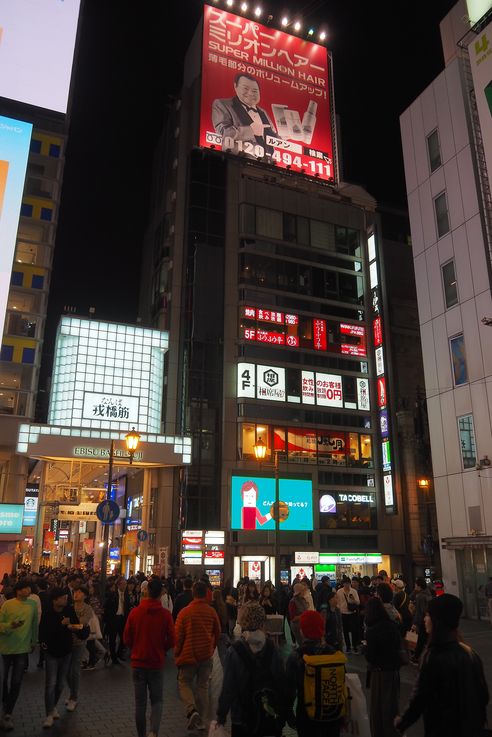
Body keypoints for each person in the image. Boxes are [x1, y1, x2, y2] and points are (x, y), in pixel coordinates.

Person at [395, 594, 489, 736]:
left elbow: (420, 697)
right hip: (472, 727)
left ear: (436, 620)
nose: (425, 620)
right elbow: (484, 695)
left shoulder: (433, 656)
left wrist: (402, 722)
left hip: (442, 728)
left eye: (428, 615)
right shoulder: (469, 652)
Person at [216, 601, 286, 737]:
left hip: (241, 716)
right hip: (268, 714)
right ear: (262, 622)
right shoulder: (272, 648)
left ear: (242, 622)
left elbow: (228, 688)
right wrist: (284, 714)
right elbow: (281, 682)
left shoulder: (234, 651)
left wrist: (221, 716)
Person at [124, 578, 175, 737]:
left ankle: (141, 734)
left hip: (138, 662)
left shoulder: (135, 612)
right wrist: (161, 648)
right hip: (156, 662)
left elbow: (126, 638)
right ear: (161, 593)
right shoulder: (165, 615)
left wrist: (135, 647)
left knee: (140, 704)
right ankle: (153, 731)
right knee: (157, 701)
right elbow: (172, 639)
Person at [286, 610, 345, 737]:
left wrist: (288, 715)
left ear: (302, 631)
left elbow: (289, 690)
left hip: (307, 714)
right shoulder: (333, 653)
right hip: (332, 714)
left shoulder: (297, 656)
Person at [40, 587, 89, 728]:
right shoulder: (48, 613)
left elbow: (76, 625)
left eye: (66, 598)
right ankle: (49, 713)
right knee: (50, 684)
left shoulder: (68, 610)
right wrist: (60, 625)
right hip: (51, 653)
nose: (66, 600)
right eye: (62, 598)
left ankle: (53, 706)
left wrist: (81, 629)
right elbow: (44, 631)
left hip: (66, 652)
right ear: (55, 600)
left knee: (60, 683)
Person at [175, 580, 221, 731]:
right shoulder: (211, 611)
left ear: (194, 594)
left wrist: (177, 653)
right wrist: (211, 647)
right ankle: (202, 720)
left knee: (184, 682)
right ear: (206, 593)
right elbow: (218, 632)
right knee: (203, 686)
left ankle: (191, 709)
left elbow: (178, 636)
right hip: (206, 655)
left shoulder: (185, 612)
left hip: (188, 655)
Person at [0, 579, 38, 730]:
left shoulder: (33, 604)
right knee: (3, 680)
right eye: (25, 588)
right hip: (5, 647)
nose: (28, 590)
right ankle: (5, 705)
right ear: (18, 590)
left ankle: (8, 712)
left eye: (29, 588)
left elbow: (34, 623)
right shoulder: (8, 604)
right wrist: (10, 626)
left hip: (22, 648)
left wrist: (34, 641)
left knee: (16, 681)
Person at [212, 73, 278, 158]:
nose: (250, 93)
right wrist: (250, 130)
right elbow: (223, 132)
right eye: (245, 88)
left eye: (255, 91)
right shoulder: (222, 104)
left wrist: (282, 139)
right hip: (237, 160)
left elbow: (271, 138)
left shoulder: (263, 112)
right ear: (235, 87)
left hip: (267, 164)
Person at [364, 596, 401, 737]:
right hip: (393, 670)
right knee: (392, 704)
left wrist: (365, 649)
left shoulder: (372, 631)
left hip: (379, 672)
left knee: (379, 707)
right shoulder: (392, 626)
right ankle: (393, 731)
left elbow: (370, 656)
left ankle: (381, 732)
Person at [66, 586, 92, 710]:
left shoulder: (88, 608)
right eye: (75, 591)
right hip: (65, 642)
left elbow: (83, 624)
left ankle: (74, 697)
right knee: (66, 671)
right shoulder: (68, 607)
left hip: (79, 642)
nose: (76, 594)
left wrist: (69, 625)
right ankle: (72, 693)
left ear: (85, 595)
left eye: (80, 592)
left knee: (74, 670)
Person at [103, 576, 130, 664]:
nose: (125, 586)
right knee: (112, 639)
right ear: (118, 585)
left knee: (124, 638)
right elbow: (107, 608)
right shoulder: (113, 594)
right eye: (123, 584)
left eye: (126, 584)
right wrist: (107, 620)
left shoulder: (126, 595)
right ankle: (113, 657)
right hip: (114, 619)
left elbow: (127, 607)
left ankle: (119, 653)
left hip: (123, 618)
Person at [335, 577, 360, 653]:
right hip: (343, 613)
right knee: (345, 631)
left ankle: (355, 646)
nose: (347, 585)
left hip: (352, 613)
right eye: (345, 583)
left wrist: (353, 599)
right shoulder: (339, 591)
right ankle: (348, 647)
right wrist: (339, 609)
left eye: (348, 583)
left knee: (354, 630)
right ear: (343, 584)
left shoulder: (353, 591)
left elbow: (358, 602)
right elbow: (337, 602)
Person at [410, 577, 432, 664]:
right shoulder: (428, 593)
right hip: (427, 620)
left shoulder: (420, 596)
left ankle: (416, 656)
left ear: (419, 586)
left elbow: (419, 611)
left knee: (420, 640)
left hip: (422, 621)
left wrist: (415, 623)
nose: (414, 586)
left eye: (415, 585)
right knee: (425, 639)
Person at [211, 589, 230, 666]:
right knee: (223, 655)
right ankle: (226, 672)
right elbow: (227, 621)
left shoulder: (211, 606)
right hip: (223, 631)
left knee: (209, 654)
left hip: (213, 633)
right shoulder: (224, 606)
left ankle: (209, 673)